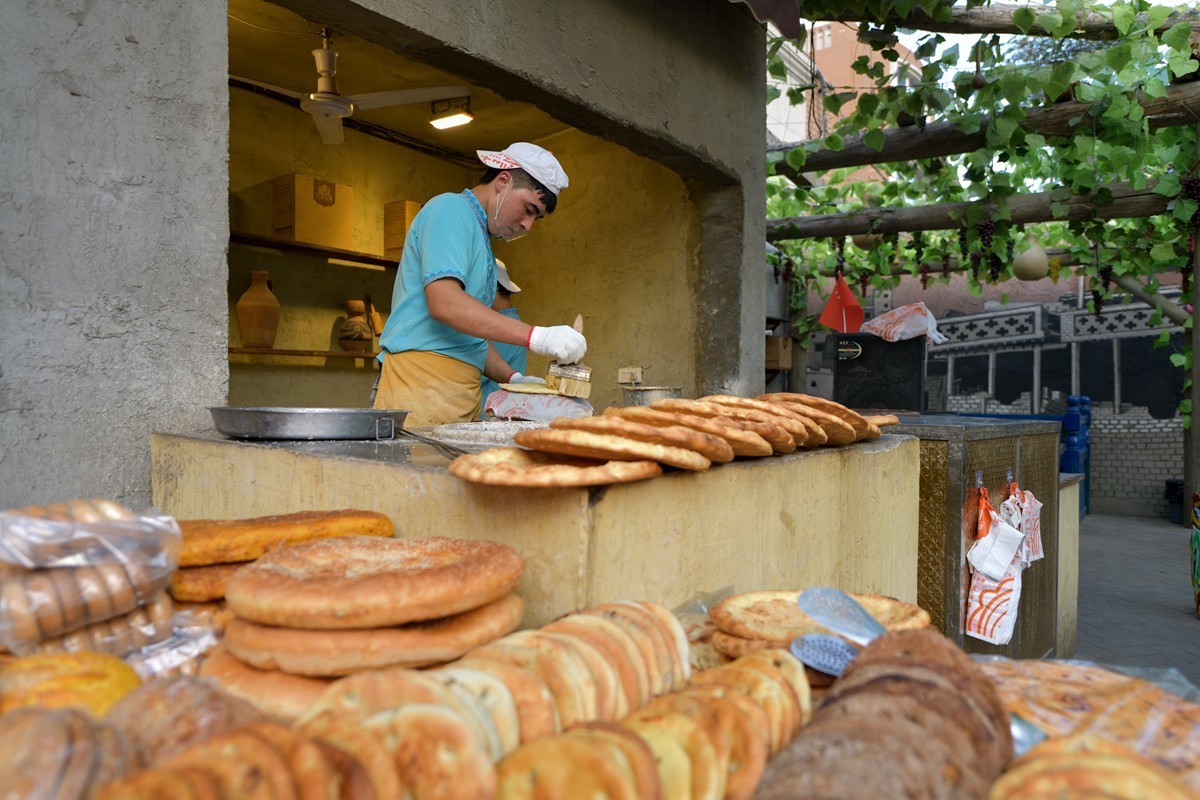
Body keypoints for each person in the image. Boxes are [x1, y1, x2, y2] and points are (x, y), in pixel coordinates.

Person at [372, 142, 586, 426]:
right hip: (418, 385)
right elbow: (445, 303)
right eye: (528, 209)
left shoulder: (483, 242)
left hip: (460, 394)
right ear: (503, 181)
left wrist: (514, 378)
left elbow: (472, 339)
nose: (528, 225)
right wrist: (538, 337)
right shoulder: (449, 210)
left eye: (536, 218)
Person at [478, 259, 527, 415]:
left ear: (490, 286)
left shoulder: (504, 327)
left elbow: (474, 371)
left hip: (489, 415)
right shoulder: (509, 323)